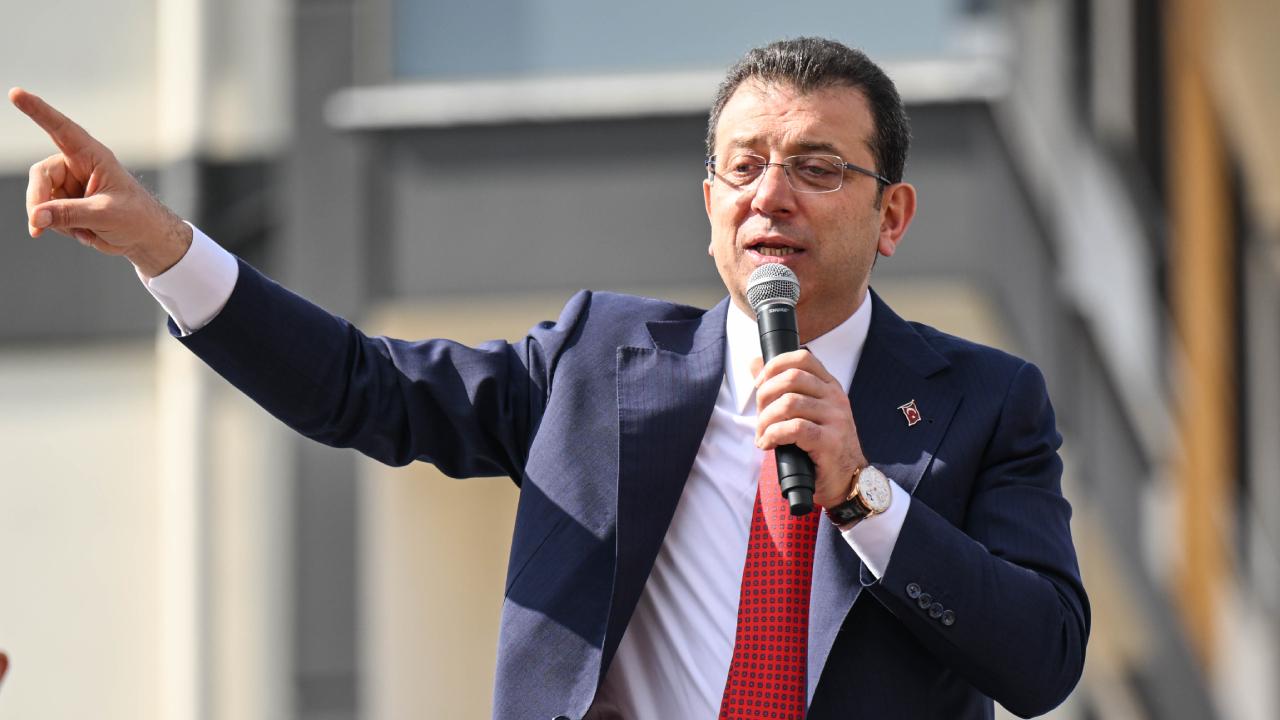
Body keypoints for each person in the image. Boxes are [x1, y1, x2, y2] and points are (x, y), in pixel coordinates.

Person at [12, 37, 1088, 719]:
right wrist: (165, 248)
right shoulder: (595, 363)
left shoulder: (985, 402)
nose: (771, 195)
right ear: (708, 203)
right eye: (743, 165)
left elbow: (1041, 661)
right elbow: (360, 386)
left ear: (891, 215)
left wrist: (861, 493)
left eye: (816, 167)